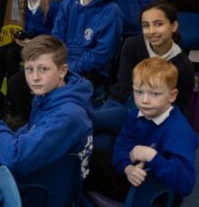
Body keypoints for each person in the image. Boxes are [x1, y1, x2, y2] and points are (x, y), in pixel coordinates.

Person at [6, 0, 122, 124]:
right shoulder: (68, 4)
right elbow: (56, 39)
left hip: (91, 71)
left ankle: (52, 128)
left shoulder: (112, 11)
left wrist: (66, 69)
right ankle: (32, 124)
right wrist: (53, 65)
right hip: (62, 63)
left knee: (60, 97)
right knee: (17, 83)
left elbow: (101, 55)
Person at [84, 57, 197, 204]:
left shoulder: (179, 132)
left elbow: (185, 184)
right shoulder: (137, 114)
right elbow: (121, 146)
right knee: (87, 154)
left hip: (156, 196)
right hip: (133, 177)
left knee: (82, 172)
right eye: (139, 92)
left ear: (172, 96)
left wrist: (152, 156)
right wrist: (128, 168)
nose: (144, 100)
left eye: (154, 94)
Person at [92, 0, 195, 150]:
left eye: (158, 24)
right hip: (122, 102)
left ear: (174, 26)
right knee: (100, 143)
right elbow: (125, 87)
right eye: (146, 25)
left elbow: (179, 106)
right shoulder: (132, 45)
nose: (151, 31)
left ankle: (80, 120)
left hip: (154, 114)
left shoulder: (183, 65)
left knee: (95, 127)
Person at [0, 35, 93, 176]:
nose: (34, 77)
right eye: (29, 69)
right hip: (44, 174)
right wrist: (10, 135)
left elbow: (16, 158)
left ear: (62, 71)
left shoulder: (67, 116)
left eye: (43, 69)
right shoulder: (47, 93)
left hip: (44, 189)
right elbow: (32, 128)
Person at [0, 0, 60, 119]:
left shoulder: (53, 5)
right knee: (1, 52)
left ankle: (11, 100)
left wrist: (32, 42)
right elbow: (29, 28)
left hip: (46, 45)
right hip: (31, 40)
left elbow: (56, 35)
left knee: (12, 54)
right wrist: (22, 37)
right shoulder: (24, 0)